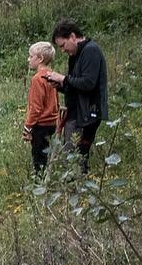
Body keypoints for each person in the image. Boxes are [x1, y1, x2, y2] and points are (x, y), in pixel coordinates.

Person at [45, 19, 108, 168]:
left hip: (87, 115)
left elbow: (88, 83)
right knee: (73, 158)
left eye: (63, 45)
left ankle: (77, 188)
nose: (62, 50)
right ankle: (76, 187)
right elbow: (75, 85)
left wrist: (63, 78)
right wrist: (60, 85)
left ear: (73, 36)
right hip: (77, 113)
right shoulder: (76, 55)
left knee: (75, 159)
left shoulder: (91, 50)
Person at [23, 41, 60, 175]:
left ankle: (40, 184)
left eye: (30, 56)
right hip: (52, 124)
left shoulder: (37, 79)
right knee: (47, 154)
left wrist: (28, 127)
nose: (28, 59)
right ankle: (47, 178)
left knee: (38, 158)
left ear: (40, 59)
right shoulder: (52, 75)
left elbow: (36, 108)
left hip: (40, 125)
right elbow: (56, 100)